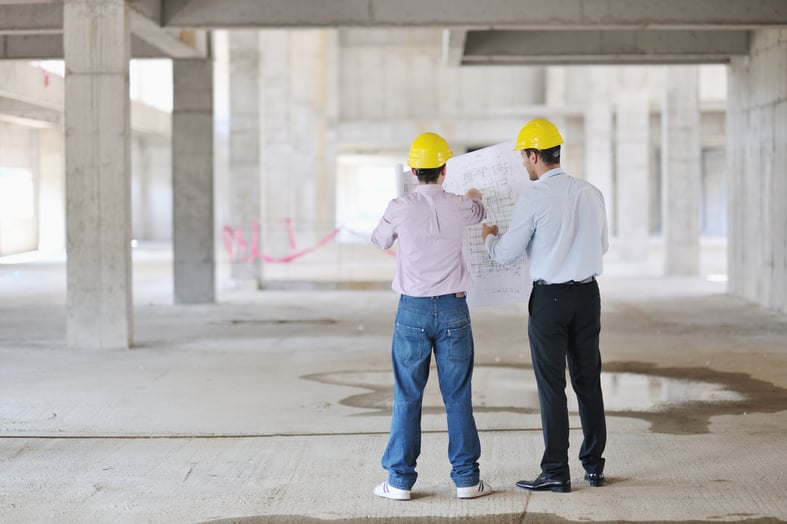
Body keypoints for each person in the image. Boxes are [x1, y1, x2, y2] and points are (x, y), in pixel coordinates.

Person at [482, 118, 609, 493]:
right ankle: (594, 467)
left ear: (535, 155)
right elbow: (602, 246)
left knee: (552, 385)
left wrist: (490, 238)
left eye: (524, 157)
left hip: (550, 300)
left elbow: (506, 255)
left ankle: (555, 470)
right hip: (588, 296)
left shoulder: (534, 198)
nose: (524, 164)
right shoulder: (591, 192)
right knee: (588, 381)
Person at [371, 132, 492, 501]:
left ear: (412, 170)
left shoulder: (400, 204)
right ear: (444, 169)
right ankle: (467, 480)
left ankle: (400, 482)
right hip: (454, 309)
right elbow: (479, 211)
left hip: (412, 310)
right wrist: (472, 197)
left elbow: (379, 240)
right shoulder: (460, 205)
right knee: (458, 396)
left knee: (407, 396)